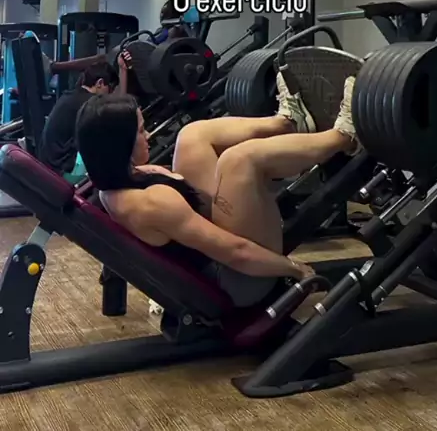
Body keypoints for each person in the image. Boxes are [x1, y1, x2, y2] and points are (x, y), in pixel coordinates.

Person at [75, 73, 359, 307]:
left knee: (191, 136)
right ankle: (344, 136)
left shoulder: (117, 180)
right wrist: (295, 269)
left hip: (221, 253)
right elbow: (237, 252)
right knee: (238, 160)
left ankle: (287, 122)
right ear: (120, 146)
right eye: (140, 131)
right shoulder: (151, 204)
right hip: (239, 280)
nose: (148, 134)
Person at [38, 56, 129, 183]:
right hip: (64, 172)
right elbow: (123, 113)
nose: (110, 95)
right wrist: (123, 71)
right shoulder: (90, 104)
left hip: (48, 167)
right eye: (111, 89)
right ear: (100, 83)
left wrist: (122, 69)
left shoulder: (70, 96)